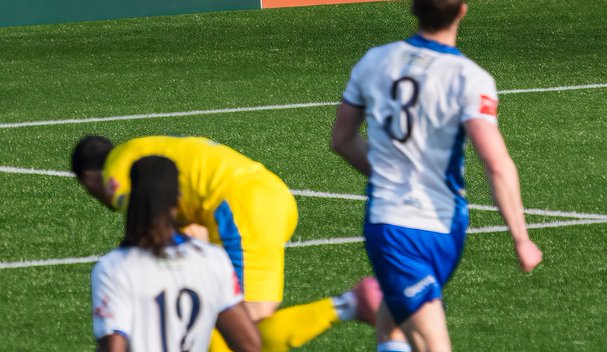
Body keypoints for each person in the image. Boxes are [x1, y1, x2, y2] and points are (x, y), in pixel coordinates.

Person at [331, 0, 542, 352]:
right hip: (432, 230)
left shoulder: (374, 62)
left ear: (413, 6)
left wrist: (386, 175)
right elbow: (496, 163)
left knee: (393, 331)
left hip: (396, 224)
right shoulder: (469, 78)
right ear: (462, 10)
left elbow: (342, 140)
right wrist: (520, 238)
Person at [72, 135, 380, 351]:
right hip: (268, 197)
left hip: (236, 210)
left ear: (89, 178)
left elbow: (147, 225)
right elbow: (189, 221)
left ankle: (349, 304)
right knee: (224, 332)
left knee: (248, 334)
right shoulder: (139, 149)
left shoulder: (118, 171)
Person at [91, 155, 261, 352]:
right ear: (179, 199)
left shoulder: (114, 268)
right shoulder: (212, 259)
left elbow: (113, 348)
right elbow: (249, 344)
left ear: (131, 197)